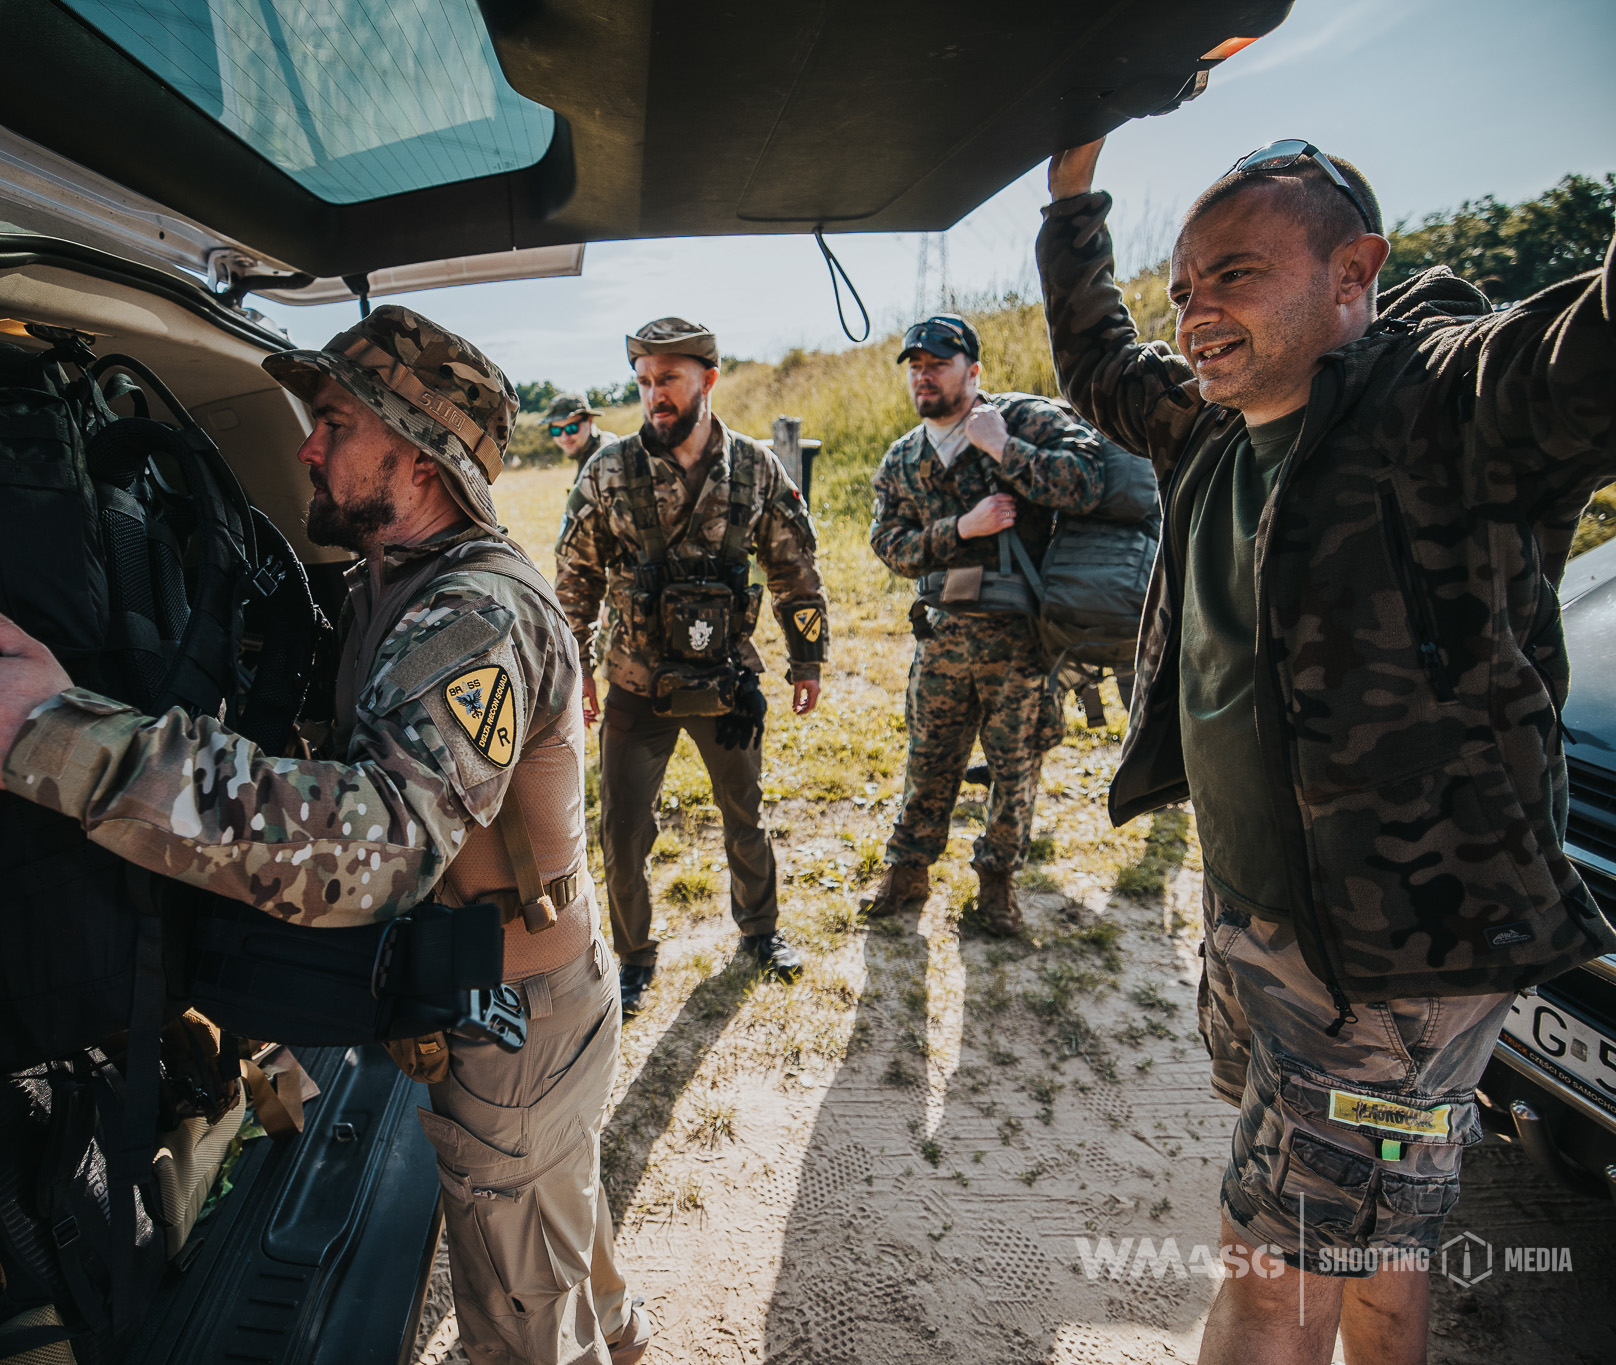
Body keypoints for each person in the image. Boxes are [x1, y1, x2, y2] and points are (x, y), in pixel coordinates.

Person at [0, 306, 652, 1365]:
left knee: (524, 1308)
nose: (306, 446)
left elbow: (376, 852)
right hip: (504, 994)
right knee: (553, 1202)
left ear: (419, 456)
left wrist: (54, 739)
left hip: (518, 1013)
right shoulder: (391, 584)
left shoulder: (473, 614)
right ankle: (619, 1332)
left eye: (334, 422)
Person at [1038, 137, 1616, 1365]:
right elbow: (1094, 361)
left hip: (1391, 962)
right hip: (1261, 919)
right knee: (1368, 1235)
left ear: (1352, 271)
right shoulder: (1209, 423)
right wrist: (1070, 189)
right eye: (1182, 286)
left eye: (1235, 273)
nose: (1195, 311)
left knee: (1271, 1288)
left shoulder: (1455, 405)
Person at [555, 317, 829, 1018]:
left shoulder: (757, 468)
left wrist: (807, 660)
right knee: (622, 832)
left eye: (669, 379)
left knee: (745, 812)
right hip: (636, 682)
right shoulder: (608, 471)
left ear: (708, 378)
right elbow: (575, 578)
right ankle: (633, 958)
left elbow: (794, 567)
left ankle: (760, 931)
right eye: (645, 381)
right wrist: (577, 667)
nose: (655, 394)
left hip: (727, 683)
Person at [858, 314, 1105, 933]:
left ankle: (997, 885)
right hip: (941, 636)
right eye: (916, 367)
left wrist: (1003, 449)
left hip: (1018, 641)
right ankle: (908, 870)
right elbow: (889, 545)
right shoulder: (903, 456)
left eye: (938, 365)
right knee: (928, 759)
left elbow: (1088, 483)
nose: (924, 377)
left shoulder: (1022, 422)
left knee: (1015, 767)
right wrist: (961, 529)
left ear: (973, 371)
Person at [546, 392, 618, 467]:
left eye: (571, 428)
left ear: (589, 420)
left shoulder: (606, 455)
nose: (564, 437)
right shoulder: (589, 453)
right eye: (556, 430)